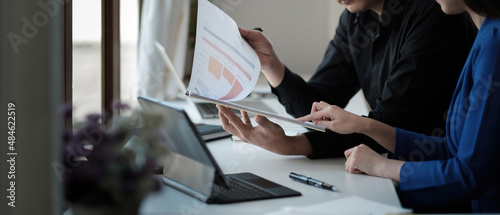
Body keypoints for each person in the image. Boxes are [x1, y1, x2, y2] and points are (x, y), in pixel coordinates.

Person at [296, 0, 500, 212]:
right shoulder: (486, 34)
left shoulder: (494, 42)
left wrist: (381, 166)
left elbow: (468, 176)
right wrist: (363, 125)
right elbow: (453, 149)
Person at [217, 0, 476, 160]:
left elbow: (388, 128)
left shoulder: (435, 13)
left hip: (428, 167)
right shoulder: (354, 19)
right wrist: (270, 64)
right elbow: (316, 108)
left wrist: (291, 145)